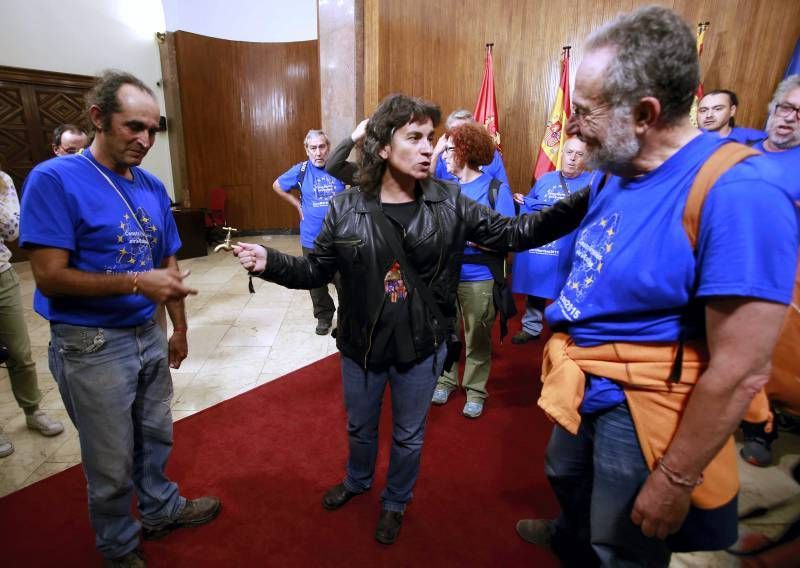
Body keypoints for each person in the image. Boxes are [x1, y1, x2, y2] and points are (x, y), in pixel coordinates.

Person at [234, 93, 589, 545]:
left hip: (421, 346)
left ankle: (396, 500)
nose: (430, 148)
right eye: (415, 138)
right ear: (383, 147)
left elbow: (515, 232)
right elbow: (315, 271)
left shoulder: (452, 202)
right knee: (360, 426)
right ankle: (358, 480)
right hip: (360, 346)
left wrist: (585, 199)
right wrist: (271, 262)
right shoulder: (346, 207)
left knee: (407, 435)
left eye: (432, 139)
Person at [513, 6, 799, 567]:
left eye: (584, 111)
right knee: (564, 473)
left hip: (646, 400)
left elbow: (740, 369)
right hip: (588, 370)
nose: (570, 127)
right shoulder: (618, 167)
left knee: (622, 542)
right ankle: (571, 538)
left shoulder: (741, 194)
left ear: (644, 113)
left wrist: (674, 478)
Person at [19, 70, 220, 568]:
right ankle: (118, 547)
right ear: (97, 119)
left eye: (153, 130)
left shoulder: (151, 185)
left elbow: (167, 262)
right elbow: (48, 276)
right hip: (91, 343)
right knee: (109, 462)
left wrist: (180, 327)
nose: (145, 140)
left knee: (155, 435)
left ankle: (160, 509)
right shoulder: (53, 179)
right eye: (133, 127)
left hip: (148, 333)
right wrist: (137, 282)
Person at [430, 122, 515, 418]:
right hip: (445, 275)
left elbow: (507, 238)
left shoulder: (495, 190)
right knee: (445, 332)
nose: (443, 156)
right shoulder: (444, 189)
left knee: (477, 336)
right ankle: (445, 379)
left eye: (449, 150)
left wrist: (466, 238)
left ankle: (476, 390)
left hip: (479, 277)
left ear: (465, 152)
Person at [738, 74, 800, 467]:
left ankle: (760, 427)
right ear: (773, 108)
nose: (791, 117)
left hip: (775, 278)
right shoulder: (737, 149)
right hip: (722, 267)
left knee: (762, 354)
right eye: (787, 107)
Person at [0, 162, 64, 458]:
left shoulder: (2, 180)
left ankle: (32, 410)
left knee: (19, 352)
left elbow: (12, 229)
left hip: (1, 274)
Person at [510, 136, 592, 345]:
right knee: (537, 281)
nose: (572, 158)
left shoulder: (592, 182)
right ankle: (531, 327)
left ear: (586, 158)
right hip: (544, 246)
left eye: (579, 154)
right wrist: (522, 202)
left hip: (572, 248)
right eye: (569, 152)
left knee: (569, 288)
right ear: (561, 154)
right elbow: (531, 210)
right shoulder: (545, 179)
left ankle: (564, 332)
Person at [272, 130, 345, 335]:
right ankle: (323, 316)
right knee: (315, 281)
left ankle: (347, 316)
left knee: (344, 281)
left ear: (328, 148)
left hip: (339, 239)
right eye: (313, 148)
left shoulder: (338, 169)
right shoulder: (301, 170)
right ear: (307, 150)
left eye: (322, 147)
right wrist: (296, 204)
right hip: (311, 238)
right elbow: (277, 185)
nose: (318, 152)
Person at [429, 109, 510, 186]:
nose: (460, 135)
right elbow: (427, 186)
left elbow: (502, 186)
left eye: (465, 130)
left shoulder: (491, 154)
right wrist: (436, 153)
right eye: (454, 131)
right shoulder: (443, 156)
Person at [698, 90, 765, 144]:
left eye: (718, 109)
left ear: (732, 111)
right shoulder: (690, 139)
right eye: (703, 110)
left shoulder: (755, 139)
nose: (709, 115)